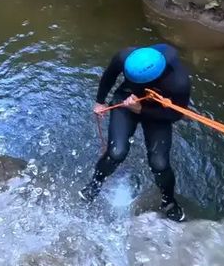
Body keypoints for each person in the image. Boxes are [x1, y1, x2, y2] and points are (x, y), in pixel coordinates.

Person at [80, 43, 192, 222]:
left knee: (160, 163)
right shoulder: (125, 57)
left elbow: (176, 114)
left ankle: (169, 202)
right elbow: (109, 75)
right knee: (116, 152)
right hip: (127, 98)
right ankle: (94, 185)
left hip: (157, 109)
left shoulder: (178, 82)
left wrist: (141, 110)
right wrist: (100, 101)